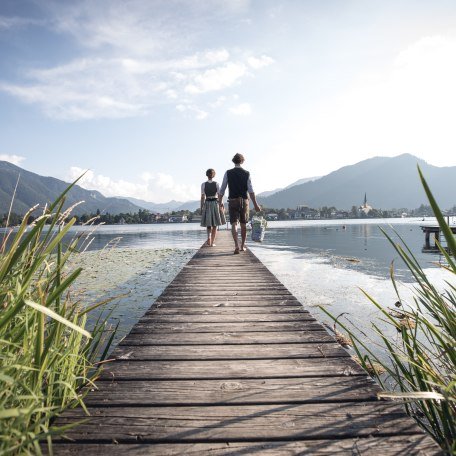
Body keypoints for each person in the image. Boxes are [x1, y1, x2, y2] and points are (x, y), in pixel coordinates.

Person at [218, 153, 261, 254]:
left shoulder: (228, 173)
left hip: (232, 201)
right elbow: (251, 191)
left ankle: (236, 245)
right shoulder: (246, 173)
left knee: (233, 223)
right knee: (243, 224)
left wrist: (220, 202)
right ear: (242, 161)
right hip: (244, 201)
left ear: (234, 161)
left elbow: (222, 189)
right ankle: (242, 246)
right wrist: (255, 205)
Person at [200, 168, 226, 246]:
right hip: (215, 203)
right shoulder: (216, 184)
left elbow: (202, 197)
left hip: (207, 203)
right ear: (213, 175)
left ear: (206, 175)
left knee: (209, 224)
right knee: (215, 224)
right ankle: (212, 242)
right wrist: (222, 204)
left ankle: (209, 238)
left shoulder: (203, 184)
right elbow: (219, 195)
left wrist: (201, 207)